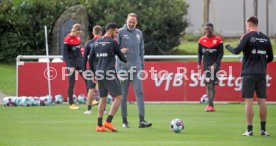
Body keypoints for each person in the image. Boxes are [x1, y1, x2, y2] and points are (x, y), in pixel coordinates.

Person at [225, 16, 273, 136]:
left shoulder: (246, 36)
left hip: (249, 73)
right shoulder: (266, 38)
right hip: (261, 73)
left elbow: (236, 51)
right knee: (262, 101)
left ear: (249, 24)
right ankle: (263, 130)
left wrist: (228, 47)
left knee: (249, 101)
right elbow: (271, 58)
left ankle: (250, 130)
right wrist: (261, 62)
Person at [89, 23, 128, 132]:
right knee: (119, 97)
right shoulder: (113, 42)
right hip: (109, 73)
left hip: (99, 73)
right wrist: (125, 58)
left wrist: (93, 73)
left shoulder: (96, 42)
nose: (116, 35)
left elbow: (90, 59)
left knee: (103, 98)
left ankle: (99, 125)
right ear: (110, 31)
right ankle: (108, 122)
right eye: (116, 32)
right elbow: (121, 56)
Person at [116, 13, 152, 128]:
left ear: (136, 22)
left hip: (136, 69)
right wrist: (120, 52)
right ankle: (124, 121)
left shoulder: (139, 33)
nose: (131, 24)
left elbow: (142, 51)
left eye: (133, 22)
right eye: (130, 21)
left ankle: (142, 120)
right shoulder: (120, 32)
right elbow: (114, 49)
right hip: (123, 69)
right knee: (123, 95)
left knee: (140, 93)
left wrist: (142, 66)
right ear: (126, 20)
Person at [63, 23, 93, 110]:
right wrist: (69, 66)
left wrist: (82, 62)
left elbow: (79, 52)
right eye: (78, 33)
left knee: (87, 79)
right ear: (74, 31)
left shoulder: (78, 38)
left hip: (79, 63)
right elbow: (65, 55)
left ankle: (90, 100)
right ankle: (71, 103)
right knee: (71, 83)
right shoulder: (67, 40)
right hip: (71, 65)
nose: (79, 35)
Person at [197, 23, 224, 112]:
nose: (207, 31)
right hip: (206, 65)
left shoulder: (218, 40)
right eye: (206, 29)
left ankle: (210, 104)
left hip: (215, 65)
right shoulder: (201, 40)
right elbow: (199, 53)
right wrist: (198, 63)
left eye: (209, 29)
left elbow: (221, 53)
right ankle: (210, 104)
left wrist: (216, 64)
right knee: (209, 84)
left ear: (212, 29)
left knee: (212, 85)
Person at [83, 25, 102, 114]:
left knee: (91, 89)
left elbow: (85, 57)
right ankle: (104, 109)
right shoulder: (104, 42)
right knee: (103, 88)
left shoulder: (88, 43)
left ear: (93, 33)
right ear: (101, 33)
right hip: (102, 67)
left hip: (91, 69)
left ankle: (89, 109)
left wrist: (83, 69)